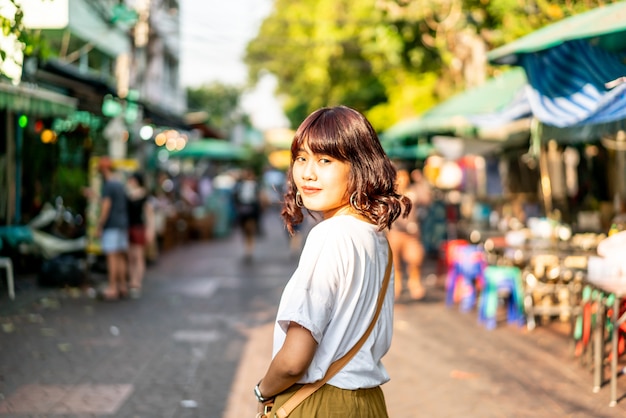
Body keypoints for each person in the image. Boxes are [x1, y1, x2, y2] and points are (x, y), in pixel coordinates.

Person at [254, 106, 411, 417]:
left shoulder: (330, 235)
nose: (308, 173)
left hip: (321, 405)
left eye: (325, 160)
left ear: (358, 167)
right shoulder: (377, 238)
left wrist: (263, 390)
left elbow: (293, 360)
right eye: (301, 158)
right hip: (368, 404)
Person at [388, 166, 432, 301]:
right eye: (399, 177)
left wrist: (420, 181)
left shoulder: (413, 192)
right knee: (394, 263)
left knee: (415, 259)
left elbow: (427, 199)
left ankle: (414, 283)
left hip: (412, 234)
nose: (402, 180)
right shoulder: (391, 195)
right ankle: (397, 286)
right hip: (395, 233)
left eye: (404, 176)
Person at [95, 157, 129, 301]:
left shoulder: (108, 185)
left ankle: (112, 287)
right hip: (122, 223)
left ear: (103, 170)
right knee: (120, 255)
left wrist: (99, 225)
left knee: (112, 256)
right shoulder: (119, 183)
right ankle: (122, 286)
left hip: (112, 224)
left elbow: (106, 206)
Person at [126, 172, 154, 299]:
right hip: (129, 227)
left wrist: (150, 230)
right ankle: (132, 281)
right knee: (130, 256)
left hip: (138, 228)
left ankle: (137, 283)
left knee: (138, 256)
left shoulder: (144, 195)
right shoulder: (128, 193)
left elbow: (149, 214)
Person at [233, 168, 264, 261]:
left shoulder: (255, 185)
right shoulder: (240, 185)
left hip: (252, 210)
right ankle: (248, 249)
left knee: (250, 230)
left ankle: (249, 249)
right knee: (246, 230)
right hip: (244, 210)